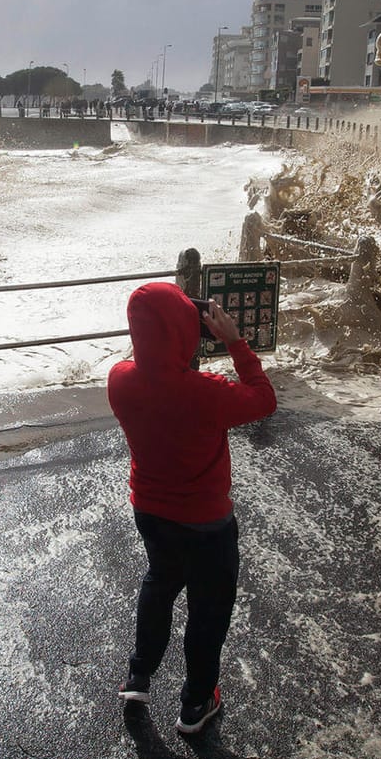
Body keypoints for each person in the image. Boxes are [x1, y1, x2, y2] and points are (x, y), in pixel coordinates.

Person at [108, 284, 277, 734]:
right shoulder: (207, 392)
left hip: (150, 511)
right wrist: (235, 342)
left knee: (160, 583)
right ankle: (196, 704)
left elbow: (149, 360)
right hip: (207, 524)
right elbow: (264, 399)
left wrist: (166, 333)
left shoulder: (119, 379)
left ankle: (138, 678)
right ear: (186, 331)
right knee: (207, 611)